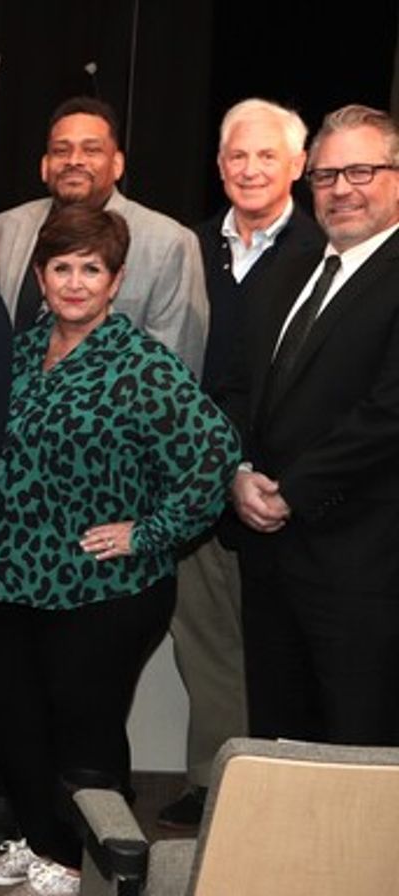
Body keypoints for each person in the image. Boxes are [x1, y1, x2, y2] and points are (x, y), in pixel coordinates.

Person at [0, 205, 239, 896]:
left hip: (99, 589)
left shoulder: (143, 365)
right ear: (40, 275)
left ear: (116, 281)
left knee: (82, 738)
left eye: (93, 269)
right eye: (63, 268)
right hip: (3, 577)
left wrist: (147, 532)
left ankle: (83, 865)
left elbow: (213, 458)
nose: (77, 283)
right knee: (13, 722)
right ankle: (38, 846)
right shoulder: (21, 350)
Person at [160, 98, 323, 829]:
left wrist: (262, 473)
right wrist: (216, 469)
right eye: (236, 156)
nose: (250, 169)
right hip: (203, 486)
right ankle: (214, 783)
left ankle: (283, 800)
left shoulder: (328, 252)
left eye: (267, 156)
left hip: (293, 493)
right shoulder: (188, 248)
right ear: (218, 165)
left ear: (299, 165)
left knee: (285, 652)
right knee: (209, 649)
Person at [224, 104, 399, 748]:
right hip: (271, 561)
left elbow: (388, 415)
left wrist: (291, 491)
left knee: (356, 752)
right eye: (326, 176)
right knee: (279, 744)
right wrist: (237, 473)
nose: (341, 189)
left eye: (361, 170)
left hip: (365, 569)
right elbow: (242, 390)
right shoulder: (287, 272)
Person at [0, 97, 208, 374]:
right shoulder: (3, 230)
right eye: (61, 150)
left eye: (91, 150)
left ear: (117, 164)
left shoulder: (168, 244)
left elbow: (176, 367)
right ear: (44, 166)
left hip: (115, 413)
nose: (74, 161)